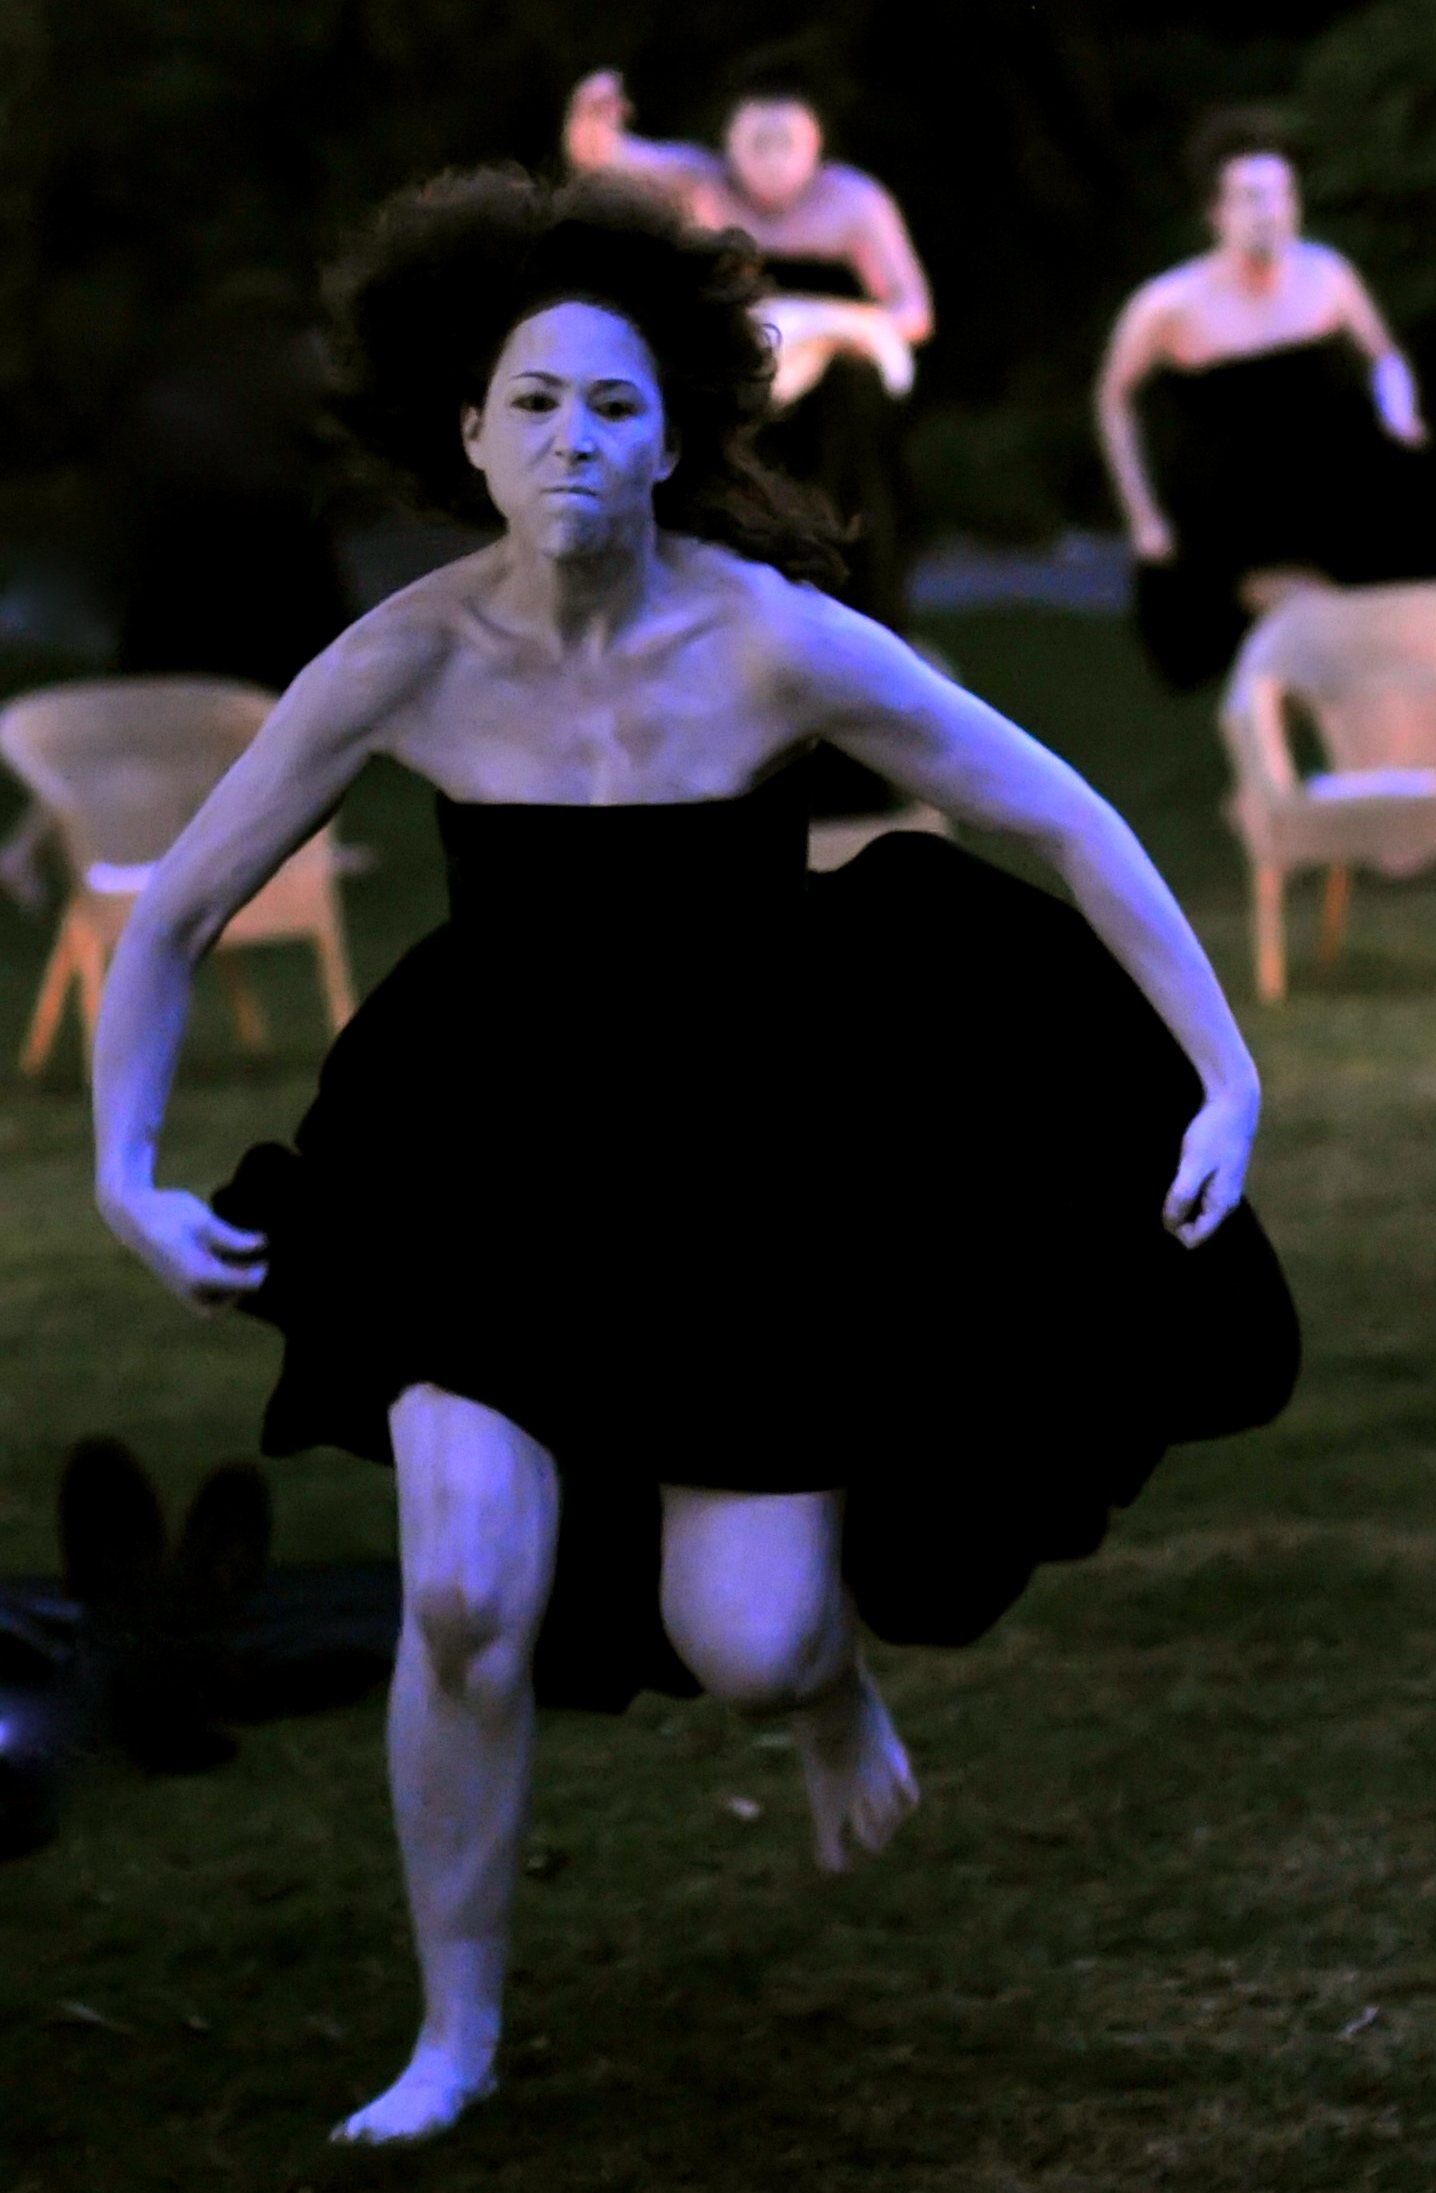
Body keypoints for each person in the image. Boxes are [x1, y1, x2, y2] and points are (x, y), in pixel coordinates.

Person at [91, 169, 1299, 2148]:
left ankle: (825, 1694)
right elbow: (173, 913)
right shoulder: (404, 655)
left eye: (616, 404)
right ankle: (453, 2036)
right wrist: (124, 1168)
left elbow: (1066, 818)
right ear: (469, 433)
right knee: (463, 1588)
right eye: (535, 402)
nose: (573, 437)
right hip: (479, 1154)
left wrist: (1225, 1077)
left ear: (675, 441)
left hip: (738, 1169)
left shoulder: (771, 642)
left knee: (747, 1634)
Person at [565, 52, 931, 818]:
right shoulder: (697, 185)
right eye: (755, 141)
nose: (770, 159)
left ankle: (854, 777)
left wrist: (828, 322)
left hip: (836, 439)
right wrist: (595, 115)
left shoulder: (853, 202)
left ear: (815, 143)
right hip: (735, 428)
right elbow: (603, 160)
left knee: (842, 582)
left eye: (785, 141)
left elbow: (911, 313)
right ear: (729, 140)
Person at [1096, 108, 1436, 689]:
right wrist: (1143, 516)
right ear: (1215, 212)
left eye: (1281, 195)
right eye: (1251, 198)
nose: (1271, 213)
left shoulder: (1326, 276)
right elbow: (1114, 399)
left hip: (1333, 497)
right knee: (1270, 664)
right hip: (1233, 522)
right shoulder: (1167, 305)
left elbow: (1384, 356)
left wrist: (1398, 411)